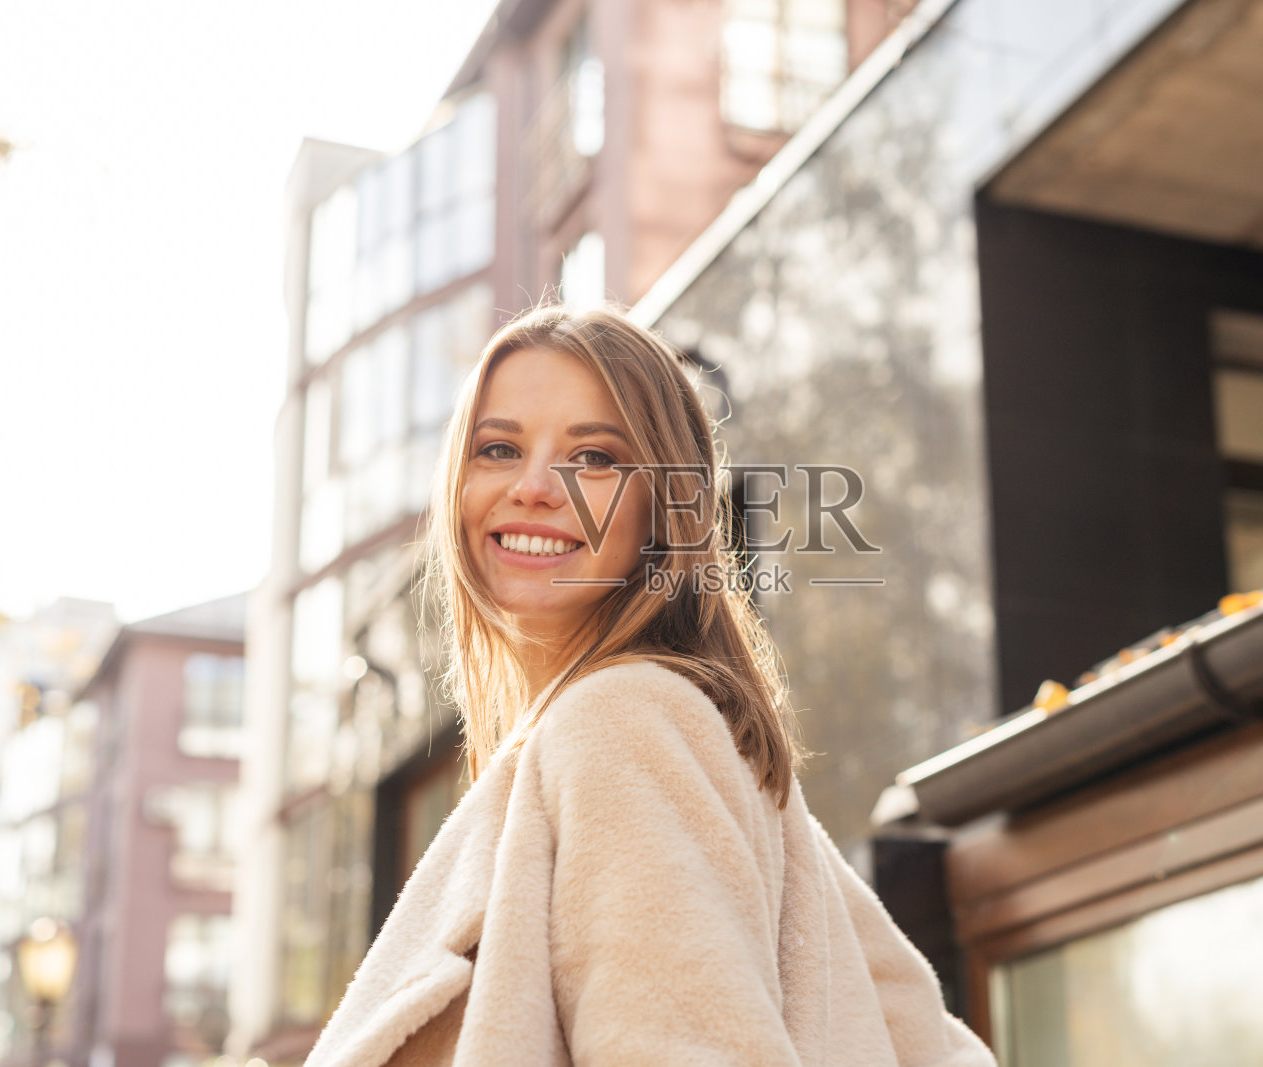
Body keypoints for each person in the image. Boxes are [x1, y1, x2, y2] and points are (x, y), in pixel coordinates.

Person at [304, 302, 997, 1067]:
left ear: (666, 509)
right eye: (497, 447)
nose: (535, 485)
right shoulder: (640, 740)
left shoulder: (619, 722)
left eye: (595, 458)